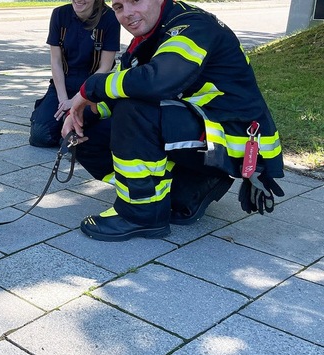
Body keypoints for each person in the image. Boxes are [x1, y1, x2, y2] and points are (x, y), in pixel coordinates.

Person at [61, 0, 284, 242]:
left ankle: (140, 214)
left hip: (234, 139)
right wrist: (85, 113)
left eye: (135, 1)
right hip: (202, 132)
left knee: (135, 110)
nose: (128, 13)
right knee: (85, 132)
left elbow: (158, 81)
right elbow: (125, 85)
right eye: (119, 7)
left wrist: (89, 88)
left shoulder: (193, 25)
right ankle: (184, 187)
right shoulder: (149, 35)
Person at [29, 0, 120, 148]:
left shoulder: (110, 18)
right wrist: (64, 100)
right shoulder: (59, 14)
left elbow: (105, 67)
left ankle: (72, 129)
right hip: (63, 84)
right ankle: (53, 119)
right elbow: (56, 61)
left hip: (91, 89)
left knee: (74, 140)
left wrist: (78, 98)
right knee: (40, 136)